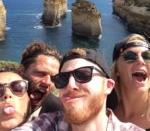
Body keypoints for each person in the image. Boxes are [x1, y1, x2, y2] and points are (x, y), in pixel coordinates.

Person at [12, 47, 144, 131]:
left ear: (108, 86)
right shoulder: (46, 123)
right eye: (62, 78)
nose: (70, 85)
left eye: (83, 75)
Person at [111, 33, 150, 129]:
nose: (141, 60)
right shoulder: (103, 110)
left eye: (147, 56)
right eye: (130, 56)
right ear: (117, 70)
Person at [18, 41, 63, 118]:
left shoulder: (57, 112)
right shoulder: (4, 97)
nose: (47, 82)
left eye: (53, 78)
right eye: (41, 74)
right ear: (22, 70)